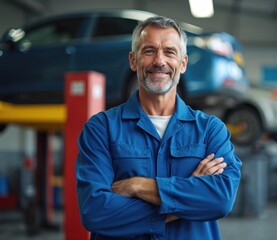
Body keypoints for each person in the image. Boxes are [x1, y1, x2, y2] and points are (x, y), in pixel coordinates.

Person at [75, 15, 242, 240]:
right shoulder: (101, 129)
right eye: (149, 51)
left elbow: (220, 200)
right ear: (133, 61)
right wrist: (187, 200)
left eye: (170, 52)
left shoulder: (210, 131)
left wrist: (138, 186)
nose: (159, 61)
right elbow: (95, 212)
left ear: (182, 64)